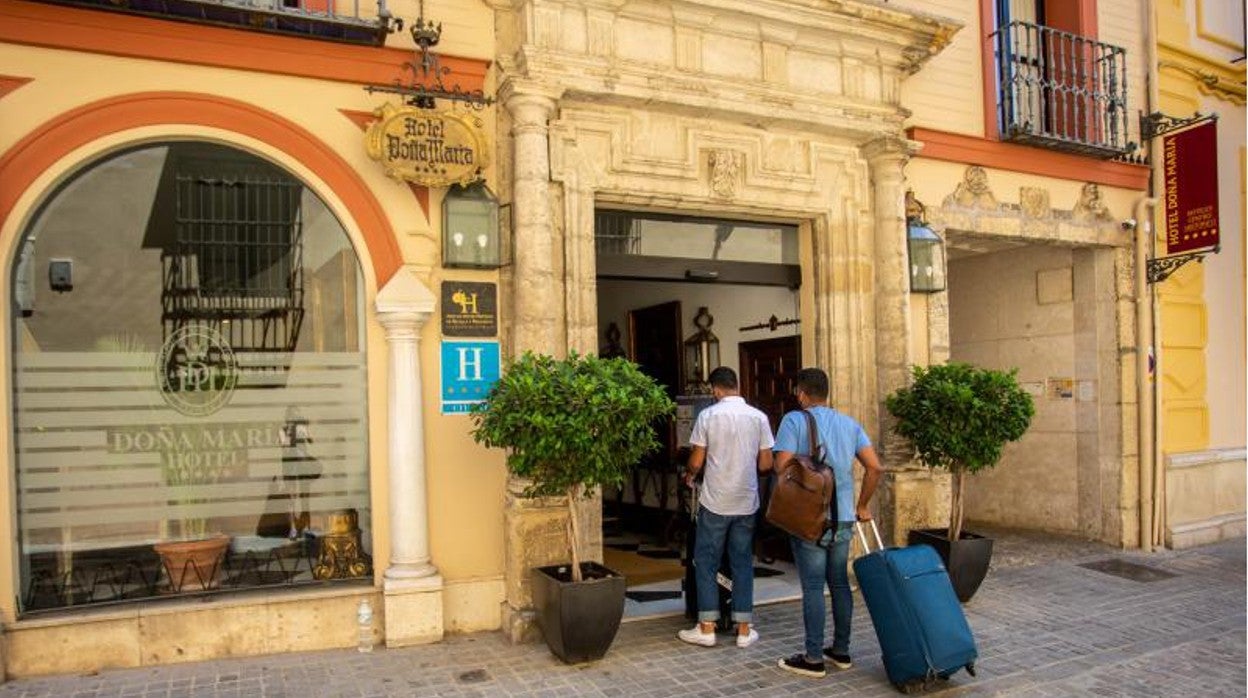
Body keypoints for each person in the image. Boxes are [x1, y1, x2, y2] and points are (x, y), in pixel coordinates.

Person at [774, 367, 883, 678]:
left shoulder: (794, 420)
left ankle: (812, 658)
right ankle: (841, 650)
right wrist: (862, 505)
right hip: (844, 517)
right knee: (839, 583)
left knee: (812, 586)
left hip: (809, 518)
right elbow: (875, 468)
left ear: (801, 394)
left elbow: (781, 466)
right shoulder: (849, 423)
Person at [678, 366, 775, 649]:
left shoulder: (708, 416)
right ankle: (744, 629)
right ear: (737, 385)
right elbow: (766, 464)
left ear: (715, 389)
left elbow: (697, 461)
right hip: (746, 502)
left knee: (706, 561)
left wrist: (689, 474)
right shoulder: (759, 417)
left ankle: (706, 627)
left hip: (715, 502)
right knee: (742, 562)